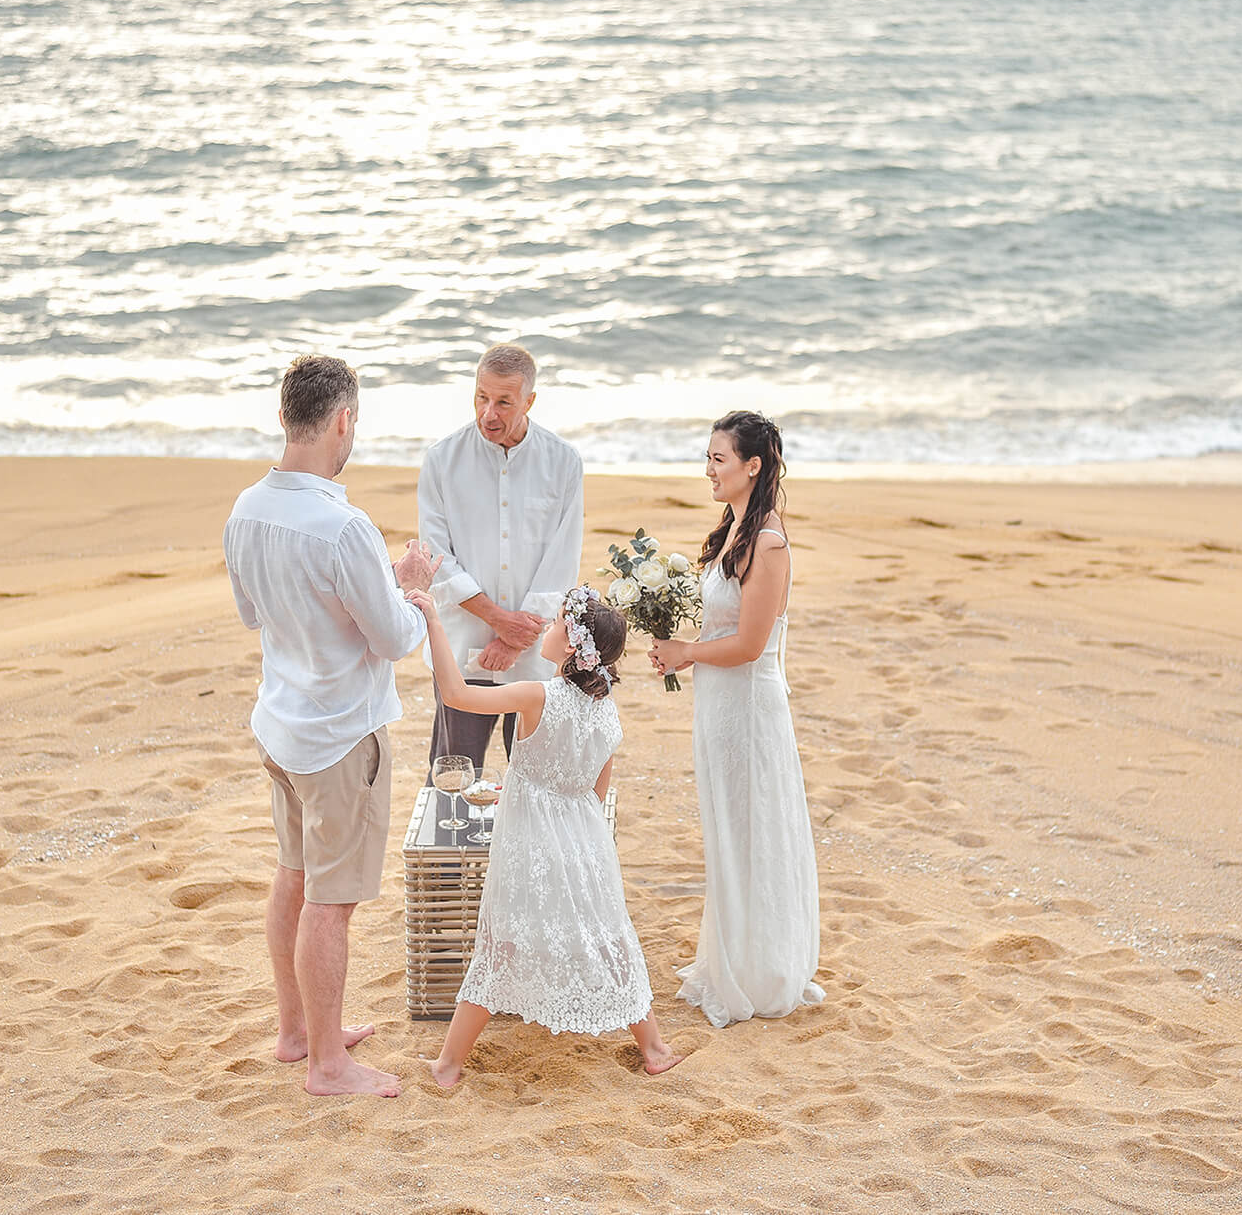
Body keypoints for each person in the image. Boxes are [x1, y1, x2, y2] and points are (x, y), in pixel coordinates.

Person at [223, 355, 441, 1098]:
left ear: (287, 416)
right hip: (340, 737)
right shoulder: (345, 527)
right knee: (331, 899)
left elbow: (255, 615)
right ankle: (326, 1064)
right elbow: (393, 640)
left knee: (295, 874)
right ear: (342, 419)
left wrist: (370, 590)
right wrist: (409, 587)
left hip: (280, 727)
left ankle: (297, 1032)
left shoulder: (245, 510)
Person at [405, 584, 682, 1086]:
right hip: (587, 845)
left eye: (557, 624)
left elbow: (457, 695)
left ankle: (448, 1064)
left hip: (528, 844)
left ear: (573, 644)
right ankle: (655, 1048)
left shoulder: (537, 695)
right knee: (608, 937)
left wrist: (435, 622)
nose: (548, 629)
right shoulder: (607, 714)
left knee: (499, 945)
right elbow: (597, 792)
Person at [648, 411, 824, 1029]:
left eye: (718, 459)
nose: (709, 470)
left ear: (754, 465)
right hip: (718, 704)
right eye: (707, 457)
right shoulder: (731, 531)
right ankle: (728, 955)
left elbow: (750, 644)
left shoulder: (768, 542)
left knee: (752, 828)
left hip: (748, 707)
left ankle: (760, 969)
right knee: (727, 826)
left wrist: (686, 653)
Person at [416, 344, 585, 775]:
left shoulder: (563, 461)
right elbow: (437, 557)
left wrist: (514, 637)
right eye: (481, 397)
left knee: (537, 781)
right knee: (453, 775)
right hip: (460, 648)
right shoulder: (441, 460)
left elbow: (562, 559)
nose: (488, 413)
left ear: (529, 401)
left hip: (534, 657)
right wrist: (498, 620)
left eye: (504, 402)